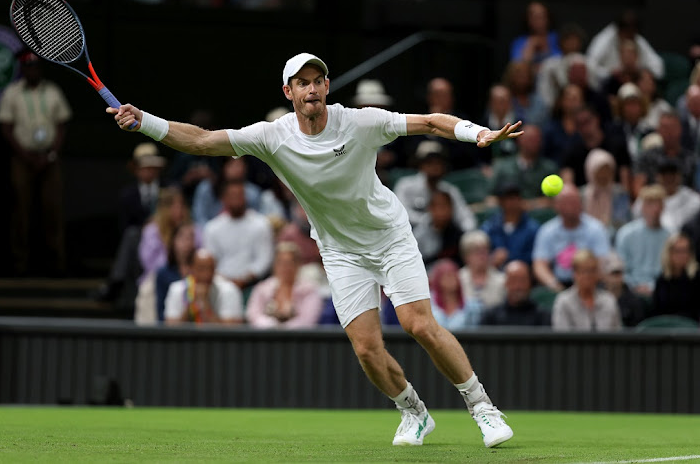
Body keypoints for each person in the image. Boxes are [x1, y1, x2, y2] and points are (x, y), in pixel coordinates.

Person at [107, 52, 522, 447]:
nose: (311, 90)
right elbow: (200, 141)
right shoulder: (271, 136)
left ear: (326, 86)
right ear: (288, 92)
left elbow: (431, 123)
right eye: (301, 83)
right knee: (366, 348)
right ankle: (413, 411)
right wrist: (145, 122)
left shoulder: (360, 122)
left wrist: (477, 132)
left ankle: (482, 407)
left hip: (389, 237)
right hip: (340, 251)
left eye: (317, 82)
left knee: (418, 325)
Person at [0, 50, 72, 276]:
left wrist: (50, 154)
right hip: (22, 157)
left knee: (53, 209)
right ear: (22, 69)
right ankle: (20, 265)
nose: (32, 70)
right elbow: (6, 128)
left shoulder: (53, 91)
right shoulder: (12, 93)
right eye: (28, 67)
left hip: (49, 158)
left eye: (36, 66)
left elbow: (62, 125)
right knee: (21, 209)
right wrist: (26, 156)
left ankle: (57, 265)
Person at [93, 142, 167, 303]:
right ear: (136, 170)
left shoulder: (167, 190)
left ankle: (115, 282)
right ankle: (120, 282)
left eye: (151, 167)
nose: (148, 171)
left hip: (164, 239)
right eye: (144, 167)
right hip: (139, 241)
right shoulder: (127, 195)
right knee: (132, 235)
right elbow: (125, 227)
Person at [532, 184, 611, 291]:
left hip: (591, 283)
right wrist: (553, 284)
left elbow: (603, 262)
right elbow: (539, 265)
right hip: (559, 283)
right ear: (557, 206)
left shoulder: (596, 228)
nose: (572, 206)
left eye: (575, 201)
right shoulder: (547, 231)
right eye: (566, 202)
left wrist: (587, 282)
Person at [204, 180, 274, 290]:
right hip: (221, 285)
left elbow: (264, 259)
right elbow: (211, 261)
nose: (236, 200)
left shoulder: (261, 224)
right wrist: (226, 282)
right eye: (232, 196)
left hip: (254, 285)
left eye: (239, 195)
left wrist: (244, 280)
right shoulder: (212, 228)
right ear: (224, 199)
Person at [394, 140, 477, 232]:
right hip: (410, 235)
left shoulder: (449, 190)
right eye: (429, 162)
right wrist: (430, 220)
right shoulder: (405, 185)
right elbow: (400, 214)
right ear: (420, 164)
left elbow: (465, 216)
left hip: (443, 237)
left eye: (438, 162)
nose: (435, 166)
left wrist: (469, 233)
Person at [245, 242, 323, 329]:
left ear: (298, 264)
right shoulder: (262, 288)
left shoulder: (309, 290)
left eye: (289, 263)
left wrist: (284, 329)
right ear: (275, 265)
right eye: (281, 262)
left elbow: (308, 320)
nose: (285, 267)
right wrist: (272, 326)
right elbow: (253, 315)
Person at [615, 184, 669, 297]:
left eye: (658, 204)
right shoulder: (625, 234)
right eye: (650, 204)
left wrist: (653, 287)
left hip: (662, 290)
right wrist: (634, 286)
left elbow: (670, 270)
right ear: (642, 207)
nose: (655, 209)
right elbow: (620, 268)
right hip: (631, 289)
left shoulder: (670, 236)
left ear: (663, 207)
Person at [164, 249, 244, 325]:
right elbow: (172, 330)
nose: (206, 274)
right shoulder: (176, 289)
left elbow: (229, 334)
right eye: (201, 269)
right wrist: (192, 304)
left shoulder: (230, 290)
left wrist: (205, 304)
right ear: (191, 269)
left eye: (210, 269)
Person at [551, 249, 623, 331]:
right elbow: (561, 337)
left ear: (597, 274)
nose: (587, 276)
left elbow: (617, 335)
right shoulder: (563, 301)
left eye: (592, 271)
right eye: (583, 271)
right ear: (575, 274)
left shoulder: (609, 300)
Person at [586, 9, 664, 82]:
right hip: (608, 85)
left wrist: (641, 72)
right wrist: (609, 74)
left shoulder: (637, 40)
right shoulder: (604, 40)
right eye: (628, 32)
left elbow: (659, 68)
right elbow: (589, 66)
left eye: (633, 32)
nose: (630, 36)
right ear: (620, 30)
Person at [489, 124, 558, 204]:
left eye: (537, 139)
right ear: (519, 140)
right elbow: (491, 197)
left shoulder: (549, 168)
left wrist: (529, 205)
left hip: (540, 214)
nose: (534, 143)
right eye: (530, 139)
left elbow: (554, 200)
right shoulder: (502, 166)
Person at [480, 180, 540, 267]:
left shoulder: (533, 228)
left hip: (522, 275)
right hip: (494, 275)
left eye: (515, 197)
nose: (512, 202)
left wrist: (510, 257)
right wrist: (491, 258)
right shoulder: (489, 227)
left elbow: (536, 257)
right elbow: (480, 252)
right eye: (507, 198)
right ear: (500, 202)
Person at [633, 111, 695, 195]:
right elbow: (638, 187)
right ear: (658, 130)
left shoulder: (691, 160)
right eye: (665, 128)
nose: (669, 132)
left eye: (672, 127)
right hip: (654, 201)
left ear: (680, 129)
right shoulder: (646, 157)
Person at [633, 158, 700, 233]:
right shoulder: (647, 196)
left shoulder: (692, 198)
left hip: (681, 239)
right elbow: (637, 216)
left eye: (672, 174)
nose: (669, 178)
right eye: (664, 174)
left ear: (679, 176)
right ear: (657, 177)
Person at [191, 156, 262, 228]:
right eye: (233, 163)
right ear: (224, 165)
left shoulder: (253, 193)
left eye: (240, 163)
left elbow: (256, 219)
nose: (237, 168)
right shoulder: (206, 188)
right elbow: (199, 216)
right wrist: (211, 231)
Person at [480, 261, 550, 326]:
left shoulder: (542, 316)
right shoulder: (491, 316)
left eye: (522, 280)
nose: (518, 286)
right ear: (506, 283)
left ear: (530, 283)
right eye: (513, 280)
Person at [580, 148, 632, 236]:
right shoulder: (580, 195)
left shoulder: (620, 194)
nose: (603, 175)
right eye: (599, 171)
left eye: (607, 170)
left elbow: (624, 223)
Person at [652, 233, 700, 322]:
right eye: (678, 251)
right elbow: (657, 312)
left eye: (686, 250)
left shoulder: (696, 276)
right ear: (669, 253)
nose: (683, 255)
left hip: (692, 329)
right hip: (666, 328)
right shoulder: (662, 280)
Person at [412, 189, 463, 267]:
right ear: (430, 209)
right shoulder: (418, 236)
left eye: (445, 206)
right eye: (438, 206)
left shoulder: (458, 234)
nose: (442, 211)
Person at [428, 259, 482, 331]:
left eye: (454, 275)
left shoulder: (471, 305)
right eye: (447, 276)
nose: (452, 279)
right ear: (438, 280)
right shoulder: (428, 304)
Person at [458, 231, 506, 310]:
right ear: (466, 256)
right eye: (476, 251)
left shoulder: (502, 280)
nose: (482, 256)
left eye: (485, 250)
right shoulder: (457, 279)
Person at [509, 1, 560, 73]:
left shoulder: (557, 38)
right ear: (528, 20)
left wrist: (545, 49)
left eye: (541, 16)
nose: (538, 21)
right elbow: (517, 70)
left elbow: (561, 63)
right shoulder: (519, 42)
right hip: (529, 82)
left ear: (548, 18)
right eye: (534, 17)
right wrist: (530, 46)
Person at [600, 252, 647, 327]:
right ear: (604, 276)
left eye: (619, 273)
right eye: (613, 273)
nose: (616, 277)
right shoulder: (597, 297)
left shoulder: (634, 301)